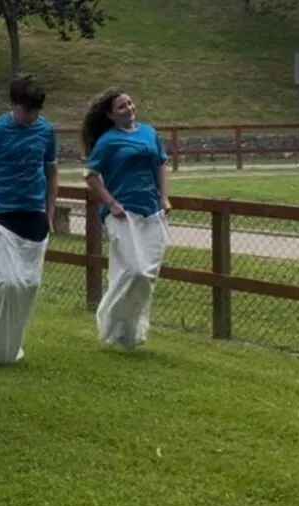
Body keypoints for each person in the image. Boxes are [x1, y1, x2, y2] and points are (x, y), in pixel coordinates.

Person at [0, 73, 58, 365]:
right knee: (8, 282)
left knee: (28, 285)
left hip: (33, 212)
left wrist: (50, 210)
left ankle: (7, 349)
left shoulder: (46, 131)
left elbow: (51, 170)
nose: (31, 116)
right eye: (26, 109)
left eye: (35, 110)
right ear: (14, 104)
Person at [81, 88, 172, 350]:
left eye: (130, 103)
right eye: (121, 107)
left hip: (151, 211)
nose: (129, 109)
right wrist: (111, 202)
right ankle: (109, 319)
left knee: (147, 276)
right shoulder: (108, 141)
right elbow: (91, 175)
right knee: (133, 269)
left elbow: (160, 164)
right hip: (123, 213)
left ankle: (130, 332)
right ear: (110, 115)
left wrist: (164, 198)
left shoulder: (149, 133)